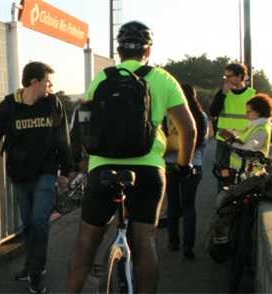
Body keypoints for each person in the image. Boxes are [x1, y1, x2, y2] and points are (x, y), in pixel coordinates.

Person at [65, 21, 196, 293]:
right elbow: (189, 130)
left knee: (87, 236)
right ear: (148, 50)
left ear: (118, 50)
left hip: (103, 167)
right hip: (148, 169)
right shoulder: (164, 78)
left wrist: (86, 162)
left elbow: (84, 124)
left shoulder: (102, 78)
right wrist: (182, 166)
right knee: (145, 238)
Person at [0, 61, 74, 293]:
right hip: (20, 176)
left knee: (40, 219)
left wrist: (67, 170)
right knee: (28, 225)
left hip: (46, 173)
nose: (51, 85)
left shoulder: (52, 103)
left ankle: (36, 273)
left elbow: (62, 137)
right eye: (47, 81)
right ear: (34, 82)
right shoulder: (8, 106)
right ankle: (33, 266)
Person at [164, 84, 209, 259]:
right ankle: (188, 246)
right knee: (189, 205)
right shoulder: (201, 116)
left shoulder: (168, 114)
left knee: (173, 204)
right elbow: (203, 144)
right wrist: (198, 163)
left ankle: (173, 242)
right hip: (193, 164)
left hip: (169, 163)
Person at [210, 62, 256, 191]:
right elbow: (213, 112)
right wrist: (224, 94)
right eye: (225, 77)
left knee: (245, 172)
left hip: (244, 142)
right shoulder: (222, 93)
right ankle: (223, 203)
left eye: (230, 76)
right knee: (223, 173)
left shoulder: (252, 94)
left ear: (240, 76)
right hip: (224, 142)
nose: (227, 79)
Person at [220, 93, 272, 173]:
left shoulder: (261, 129)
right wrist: (235, 139)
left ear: (258, 111)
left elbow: (248, 151)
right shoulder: (256, 126)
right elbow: (248, 144)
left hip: (250, 174)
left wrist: (232, 142)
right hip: (244, 171)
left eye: (249, 112)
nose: (247, 115)